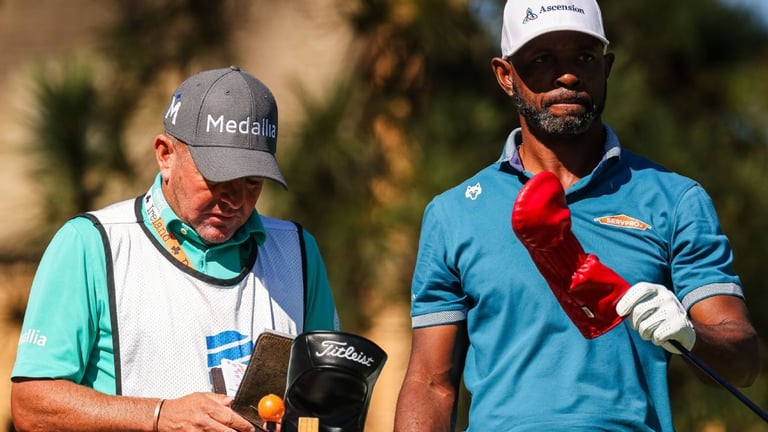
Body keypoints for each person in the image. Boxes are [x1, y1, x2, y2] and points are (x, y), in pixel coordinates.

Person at [393, 1, 760, 431]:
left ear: (606, 67)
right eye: (543, 59)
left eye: (584, 58)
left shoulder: (675, 198)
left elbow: (743, 363)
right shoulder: (454, 212)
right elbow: (431, 383)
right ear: (505, 75)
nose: (567, 75)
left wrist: (692, 336)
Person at [11, 65, 340, 432]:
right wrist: (159, 415)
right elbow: (31, 406)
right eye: (216, 177)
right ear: (165, 154)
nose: (234, 199)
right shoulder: (91, 244)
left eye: (252, 181)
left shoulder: (298, 251)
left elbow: (329, 401)